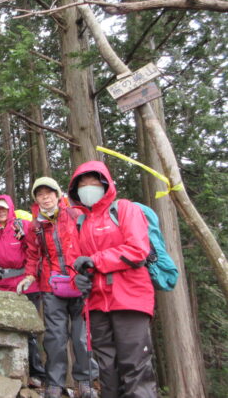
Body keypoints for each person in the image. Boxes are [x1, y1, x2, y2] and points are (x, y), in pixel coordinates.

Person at [68, 161, 157, 398]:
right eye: (82, 184)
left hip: (130, 299)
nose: (87, 187)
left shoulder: (124, 209)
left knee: (134, 366)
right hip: (96, 304)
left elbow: (138, 250)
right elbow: (75, 261)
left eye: (93, 182)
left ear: (105, 184)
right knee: (107, 371)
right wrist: (78, 279)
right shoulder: (80, 222)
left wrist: (95, 260)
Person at [18, 177, 98, 398]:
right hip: (51, 285)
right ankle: (54, 383)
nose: (45, 198)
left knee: (82, 336)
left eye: (49, 193)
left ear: (57, 194)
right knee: (55, 337)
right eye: (40, 195)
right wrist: (29, 276)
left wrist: (91, 270)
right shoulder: (36, 225)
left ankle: (86, 382)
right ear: (36, 199)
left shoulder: (75, 214)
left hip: (80, 282)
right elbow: (33, 254)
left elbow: (89, 242)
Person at [0, 194, 47, 386]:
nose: (0, 212)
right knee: (7, 328)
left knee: (29, 330)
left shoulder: (22, 226)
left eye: (3, 208)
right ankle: (9, 371)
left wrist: (30, 275)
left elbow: (34, 251)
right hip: (4, 284)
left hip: (27, 284)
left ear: (10, 208)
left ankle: (37, 373)